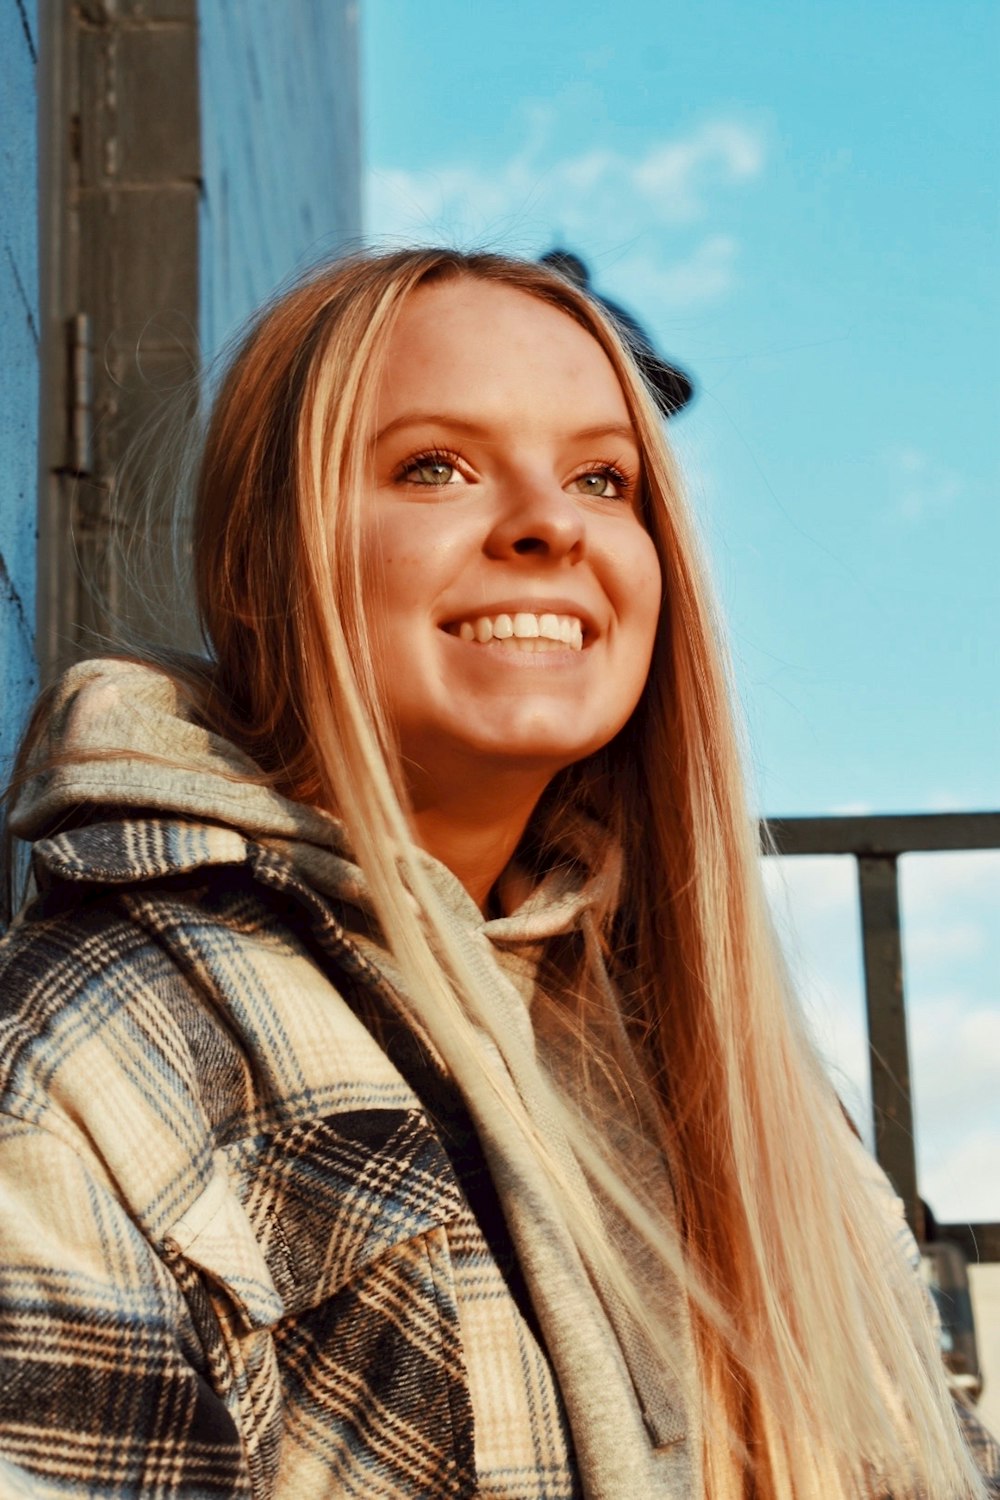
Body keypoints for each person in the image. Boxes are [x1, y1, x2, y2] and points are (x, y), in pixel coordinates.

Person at [0, 248, 996, 1499]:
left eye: (601, 477)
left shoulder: (730, 1063)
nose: (551, 521)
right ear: (261, 570)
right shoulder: (96, 1044)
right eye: (435, 466)